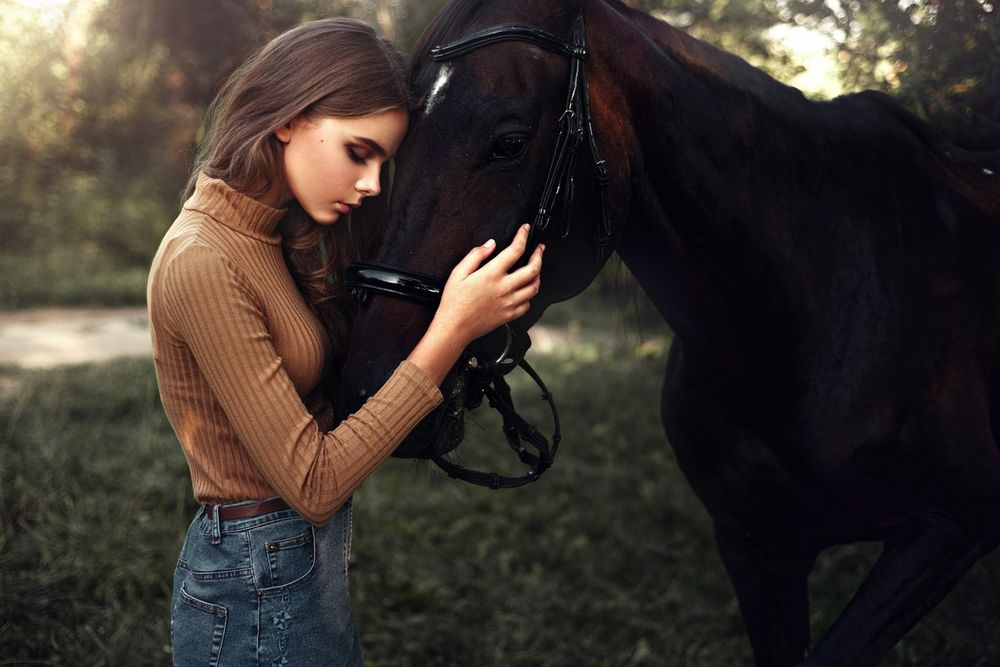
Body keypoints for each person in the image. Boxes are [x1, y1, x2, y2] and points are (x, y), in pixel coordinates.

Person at [146, 17, 543, 666]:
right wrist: (448, 332)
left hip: (299, 574)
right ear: (288, 119)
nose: (370, 184)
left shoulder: (270, 236)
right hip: (253, 597)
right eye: (359, 153)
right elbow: (313, 481)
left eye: (383, 162)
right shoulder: (202, 259)